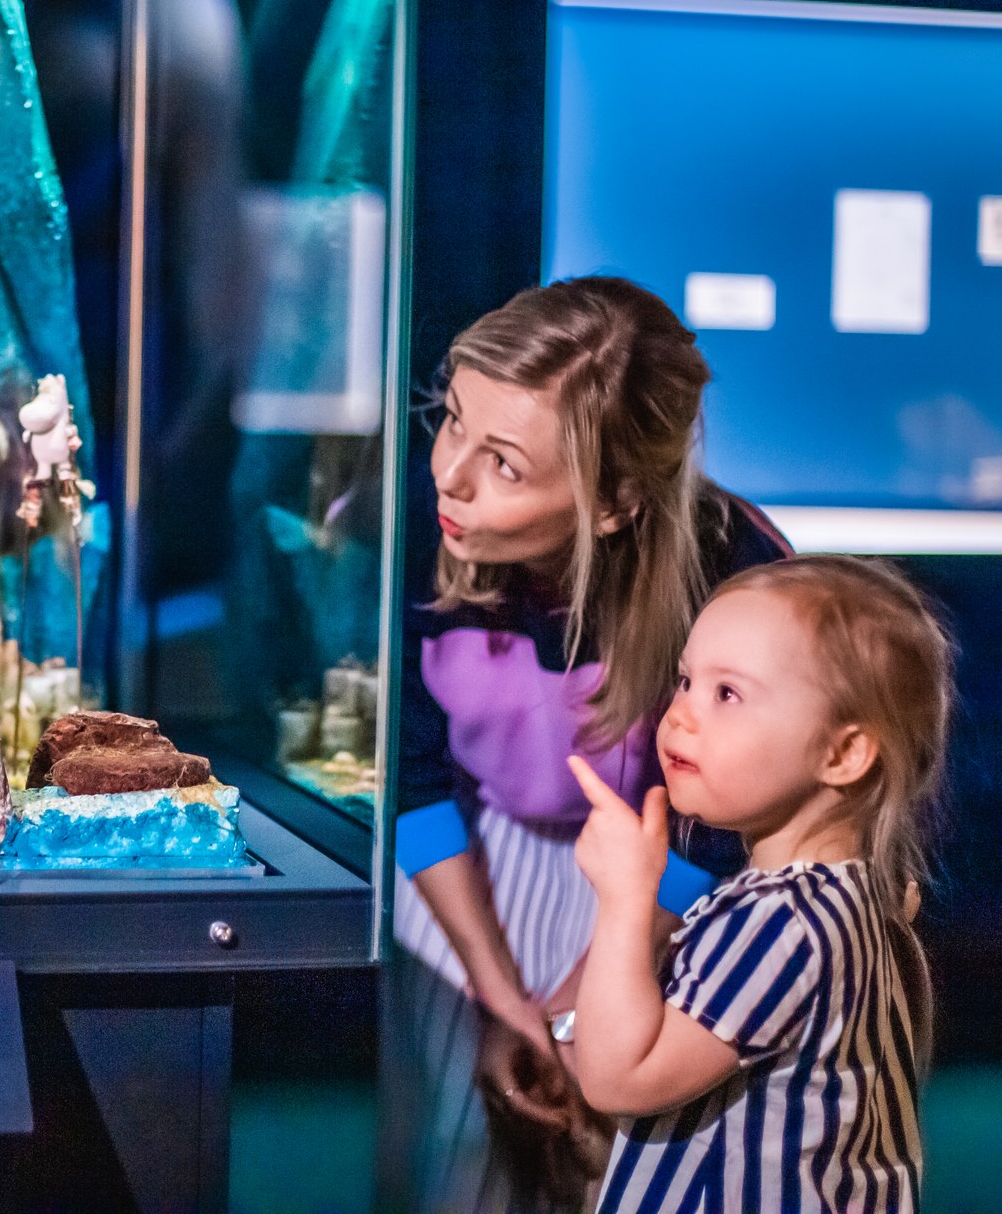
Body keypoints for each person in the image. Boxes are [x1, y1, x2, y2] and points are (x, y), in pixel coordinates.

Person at [386, 277, 788, 1212]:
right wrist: (502, 997)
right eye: (451, 422)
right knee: (458, 1166)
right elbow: (409, 777)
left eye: (506, 464)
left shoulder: (744, 578)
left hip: (665, 886)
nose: (449, 476)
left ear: (614, 502)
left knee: (617, 1166)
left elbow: (722, 835)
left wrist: (579, 1003)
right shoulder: (418, 523)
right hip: (468, 865)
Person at [568, 554, 946, 1211]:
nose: (680, 713)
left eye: (727, 693)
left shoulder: (780, 922)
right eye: (686, 681)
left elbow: (618, 1077)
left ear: (842, 753)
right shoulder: (847, 898)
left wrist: (626, 898)